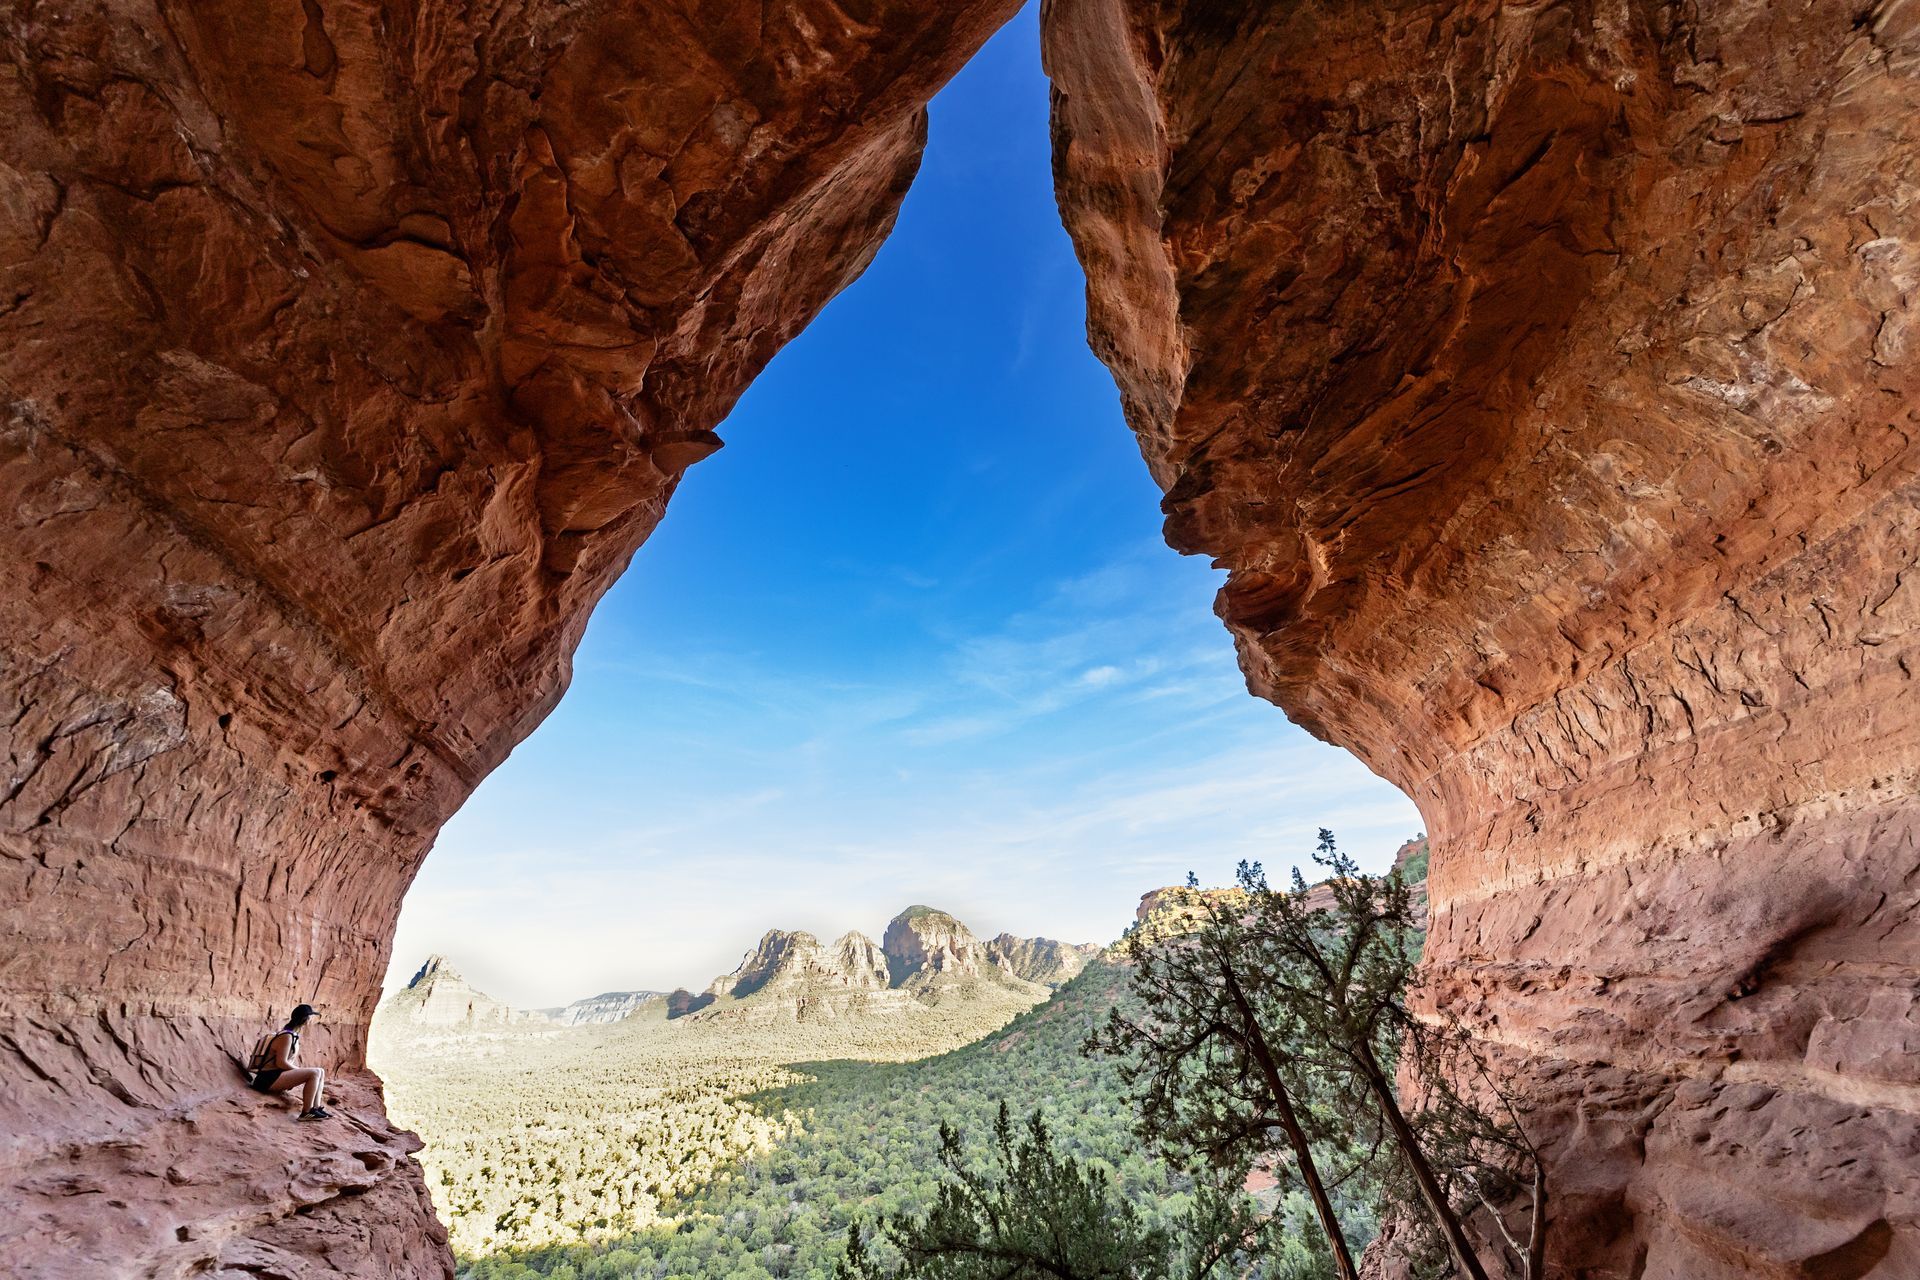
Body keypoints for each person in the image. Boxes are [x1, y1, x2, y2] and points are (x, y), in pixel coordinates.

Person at [250, 1003, 331, 1120]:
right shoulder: (286, 1036)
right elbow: (281, 1063)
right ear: (305, 1019)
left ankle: (315, 1108)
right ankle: (306, 1113)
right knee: (314, 1072)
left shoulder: (290, 1034)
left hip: (274, 1075)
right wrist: (299, 1071)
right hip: (267, 1079)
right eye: (309, 1018)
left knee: (320, 1071)